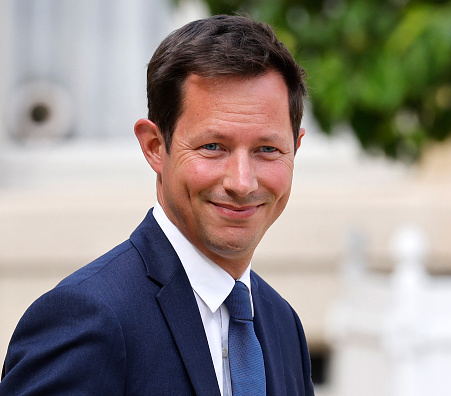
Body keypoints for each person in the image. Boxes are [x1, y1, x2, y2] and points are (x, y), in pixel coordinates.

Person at [1, 14, 314, 396]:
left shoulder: (283, 326)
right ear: (154, 147)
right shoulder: (87, 319)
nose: (242, 182)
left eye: (268, 149)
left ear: (295, 149)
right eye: (212, 147)